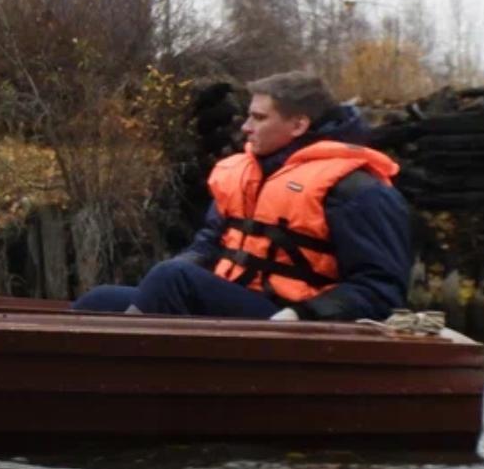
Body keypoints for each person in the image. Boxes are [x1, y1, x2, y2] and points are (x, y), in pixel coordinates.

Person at [74, 71, 412, 321]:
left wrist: (302, 314)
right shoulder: (243, 173)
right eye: (249, 115)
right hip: (239, 302)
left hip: (295, 321)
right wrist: (170, 275)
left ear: (297, 125)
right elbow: (208, 246)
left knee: (171, 279)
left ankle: (127, 384)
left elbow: (380, 289)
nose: (246, 127)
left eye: (259, 118)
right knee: (100, 299)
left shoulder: (356, 189)